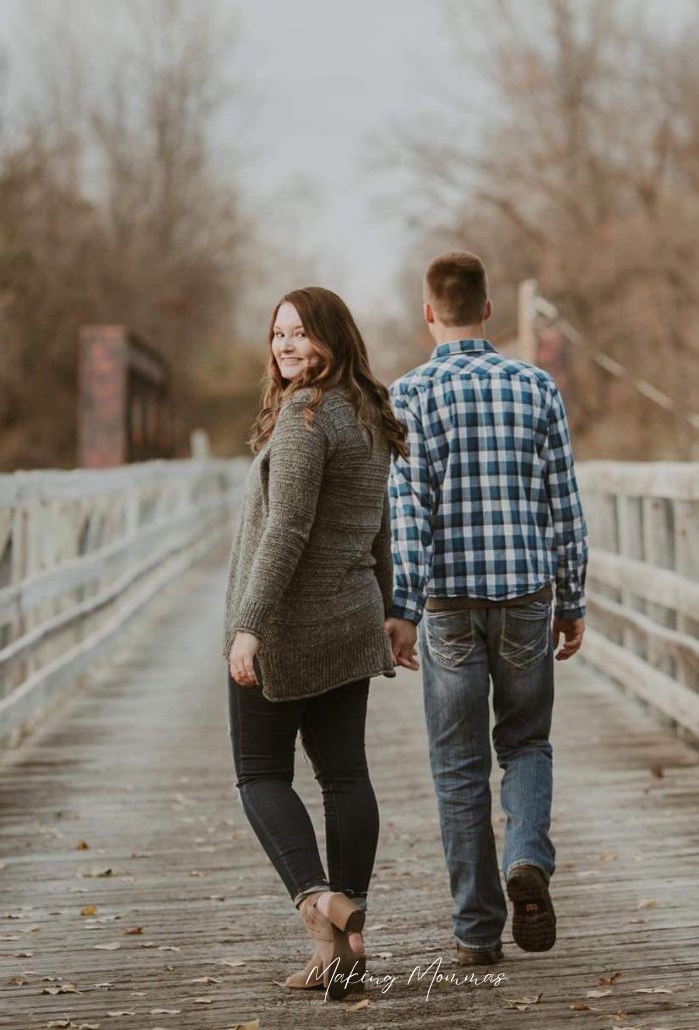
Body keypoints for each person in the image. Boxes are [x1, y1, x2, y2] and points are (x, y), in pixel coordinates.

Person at [385, 251, 589, 966]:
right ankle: (527, 856)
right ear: (489, 310)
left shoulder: (406, 395)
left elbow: (408, 516)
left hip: (447, 604)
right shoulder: (536, 386)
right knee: (527, 743)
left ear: (428, 312)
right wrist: (574, 597)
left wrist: (402, 608)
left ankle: (477, 929)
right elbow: (564, 503)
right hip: (528, 594)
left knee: (458, 764)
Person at [222, 286, 407, 1000]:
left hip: (293, 627)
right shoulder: (367, 414)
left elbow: (287, 531)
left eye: (301, 332)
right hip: (352, 617)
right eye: (278, 334)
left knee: (259, 774)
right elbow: (378, 526)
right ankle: (348, 949)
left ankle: (320, 906)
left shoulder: (304, 419)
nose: (287, 345)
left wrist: (249, 624)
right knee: (344, 775)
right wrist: (391, 608)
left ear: (332, 335)